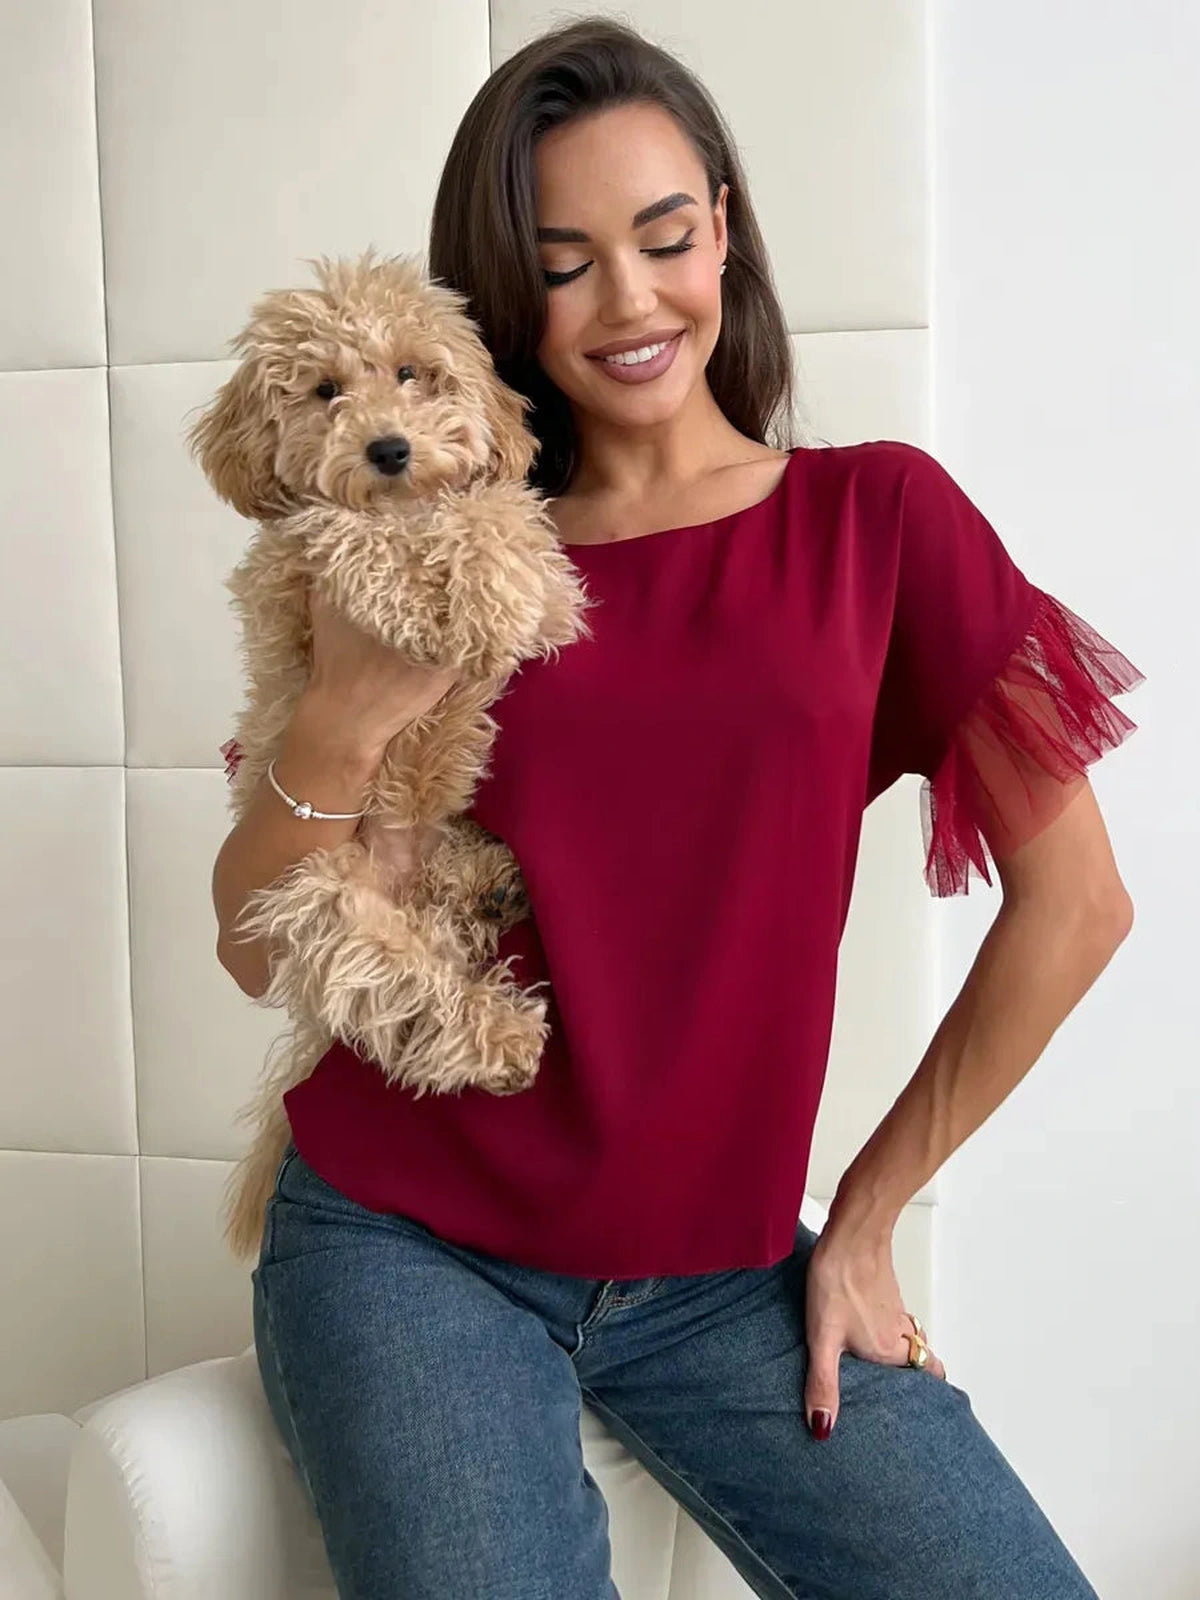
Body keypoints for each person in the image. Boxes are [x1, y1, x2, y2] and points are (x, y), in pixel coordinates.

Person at [216, 17, 1143, 1598]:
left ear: (724, 227)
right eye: (565, 261)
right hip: (407, 1244)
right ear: (505, 294)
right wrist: (347, 708)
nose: (631, 300)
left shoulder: (876, 522)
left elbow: (1079, 904)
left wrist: (862, 1214)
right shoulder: (431, 546)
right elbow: (254, 944)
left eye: (664, 236)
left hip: (721, 1273)